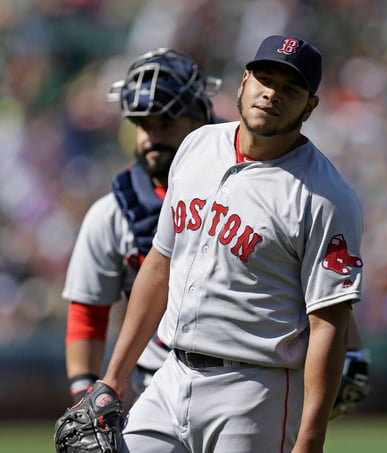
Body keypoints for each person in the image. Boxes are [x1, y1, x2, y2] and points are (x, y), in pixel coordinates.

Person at [103, 34, 365, 452]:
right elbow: (158, 265)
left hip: (255, 391)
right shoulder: (197, 145)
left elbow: (328, 322)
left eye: (290, 88)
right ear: (244, 81)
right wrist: (113, 378)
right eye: (264, 78)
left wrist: (312, 436)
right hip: (170, 375)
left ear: (310, 106)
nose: (271, 94)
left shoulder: (326, 197)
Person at [62, 48, 222, 405]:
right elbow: (88, 312)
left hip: (241, 381)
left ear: (200, 123)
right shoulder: (112, 214)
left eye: (165, 123)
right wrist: (83, 393)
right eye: (142, 124)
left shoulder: (246, 196)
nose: (151, 136)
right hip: (154, 390)